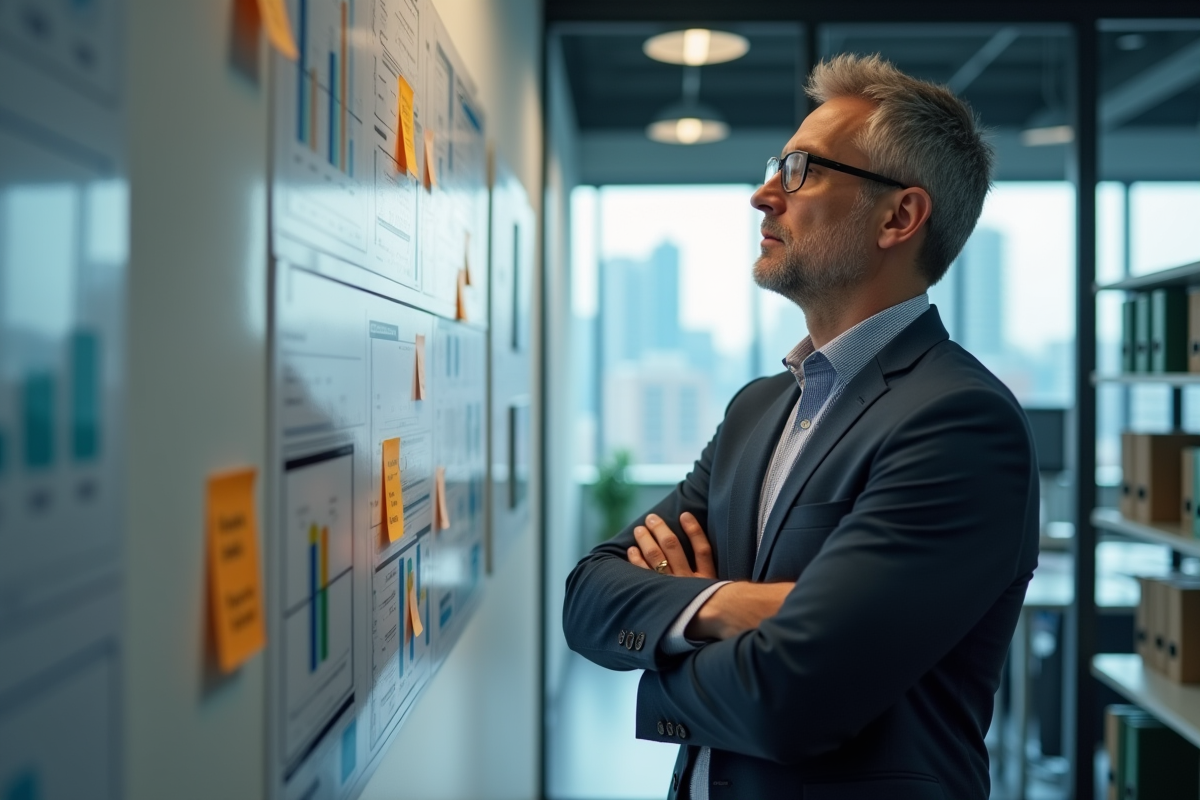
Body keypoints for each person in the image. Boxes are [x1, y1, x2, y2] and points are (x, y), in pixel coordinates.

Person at [561, 54, 1039, 800]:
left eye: (798, 170)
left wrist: (673, 641)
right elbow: (589, 596)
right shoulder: (759, 407)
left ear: (899, 217)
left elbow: (790, 701)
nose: (762, 196)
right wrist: (736, 604)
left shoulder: (960, 423)